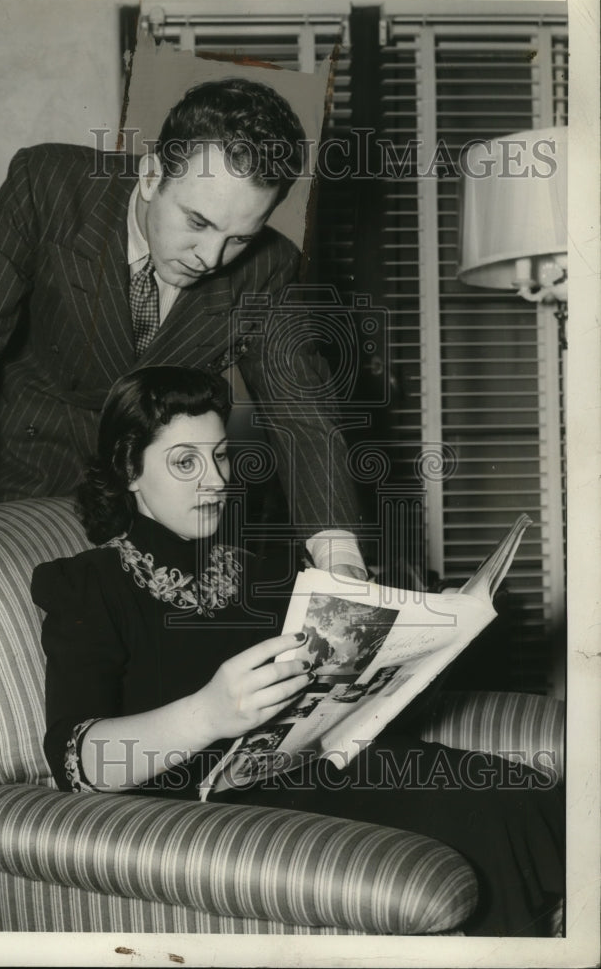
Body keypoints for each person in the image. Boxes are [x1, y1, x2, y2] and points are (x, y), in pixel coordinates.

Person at [32, 366, 564, 937]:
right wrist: (206, 715)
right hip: (217, 810)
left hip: (324, 767)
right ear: (129, 468)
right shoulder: (87, 584)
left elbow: (343, 696)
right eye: (185, 462)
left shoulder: (260, 571)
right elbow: (74, 760)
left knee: (517, 791)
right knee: (473, 816)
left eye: (221, 457)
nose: (215, 481)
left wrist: (433, 640)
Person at [0, 77, 367, 592]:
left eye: (239, 238)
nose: (211, 258)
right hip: (35, 461)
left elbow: (303, 416)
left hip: (163, 490)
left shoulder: (272, 267)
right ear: (151, 177)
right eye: (196, 221)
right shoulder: (48, 188)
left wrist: (339, 556)